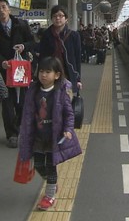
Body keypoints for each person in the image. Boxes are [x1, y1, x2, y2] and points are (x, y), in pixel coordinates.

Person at [18, 56, 82, 211]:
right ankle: (52, 183)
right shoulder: (33, 91)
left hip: (54, 136)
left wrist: (68, 129)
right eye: (41, 71)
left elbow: (69, 113)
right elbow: (27, 113)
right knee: (38, 164)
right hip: (38, 136)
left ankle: (49, 196)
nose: (43, 75)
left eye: (48, 72)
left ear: (57, 75)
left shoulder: (60, 92)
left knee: (50, 165)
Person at [0, 0, 35, 148]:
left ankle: (20, 126)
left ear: (9, 9)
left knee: (23, 102)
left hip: (21, 70)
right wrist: (2, 62)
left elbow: (32, 42)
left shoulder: (22, 25)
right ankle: (12, 134)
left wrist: (24, 47)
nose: (1, 10)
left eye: (3, 7)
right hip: (5, 71)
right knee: (7, 103)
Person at [38, 5, 82, 97]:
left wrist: (78, 80)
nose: (57, 18)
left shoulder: (74, 36)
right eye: (54, 16)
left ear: (66, 19)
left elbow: (77, 59)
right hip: (50, 74)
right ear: (51, 19)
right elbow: (42, 57)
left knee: (66, 103)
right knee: (50, 103)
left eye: (61, 16)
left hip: (67, 75)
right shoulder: (46, 35)